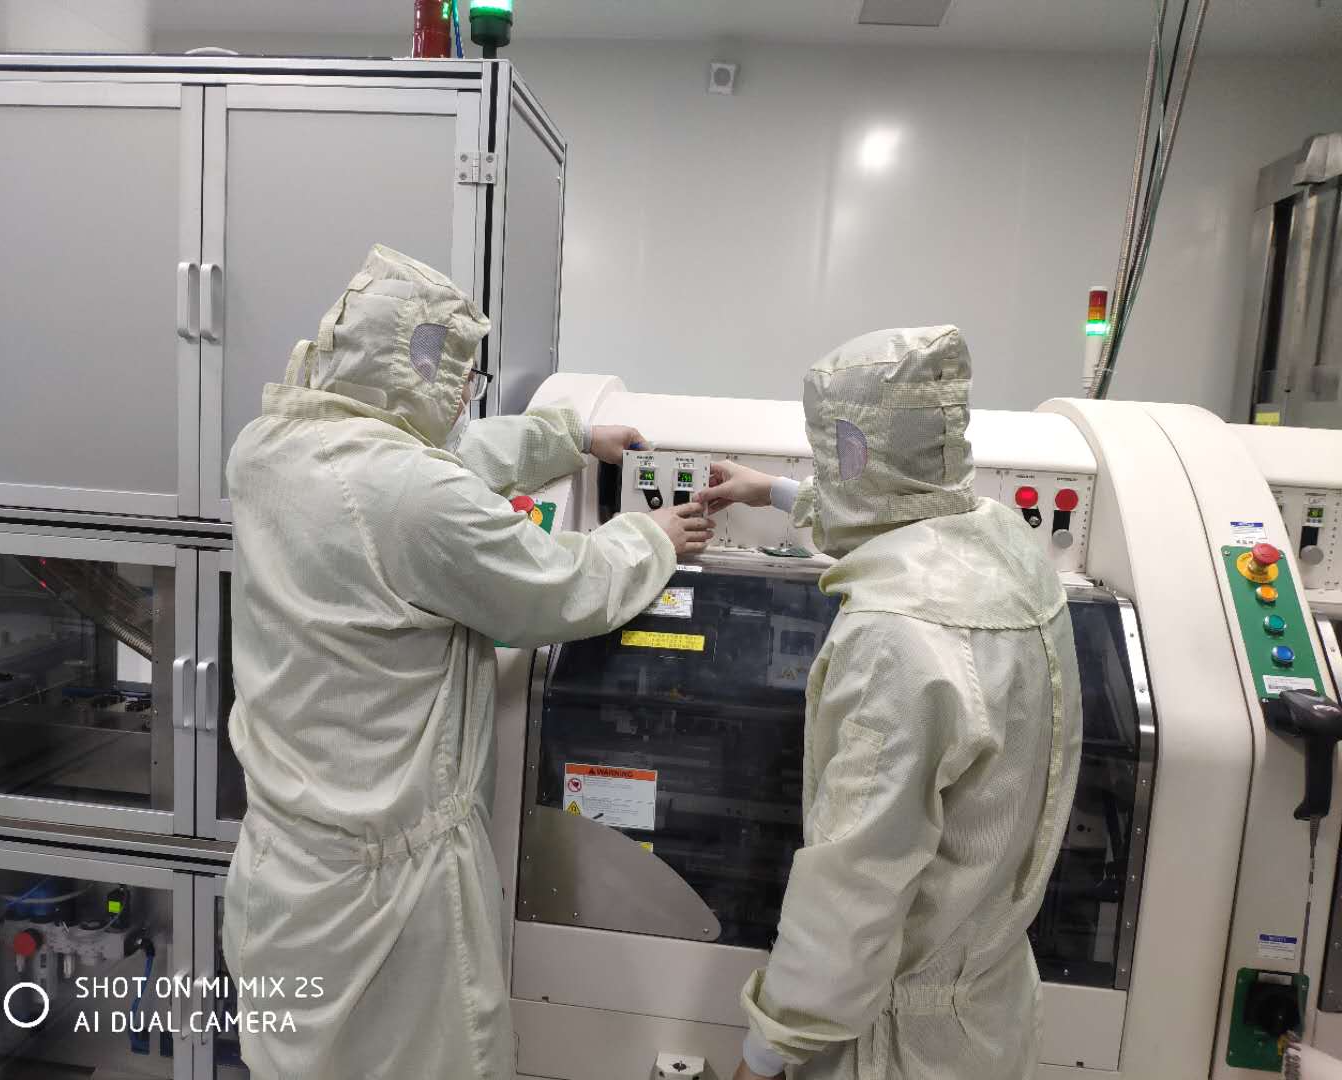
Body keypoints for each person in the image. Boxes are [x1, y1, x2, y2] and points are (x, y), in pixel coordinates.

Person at [222, 244, 711, 1080]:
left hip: (283, 874)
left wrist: (568, 435)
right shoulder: (410, 496)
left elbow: (427, 464)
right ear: (415, 372)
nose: (460, 400)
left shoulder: (269, 448)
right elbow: (565, 588)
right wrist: (651, 535)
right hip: (390, 901)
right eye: (459, 379)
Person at [697, 326, 1082, 1080]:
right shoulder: (1009, 547)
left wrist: (765, 1053)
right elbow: (896, 514)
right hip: (987, 1014)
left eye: (828, 454)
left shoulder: (894, 640)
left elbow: (853, 888)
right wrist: (772, 491)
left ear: (849, 451)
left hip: (893, 1043)